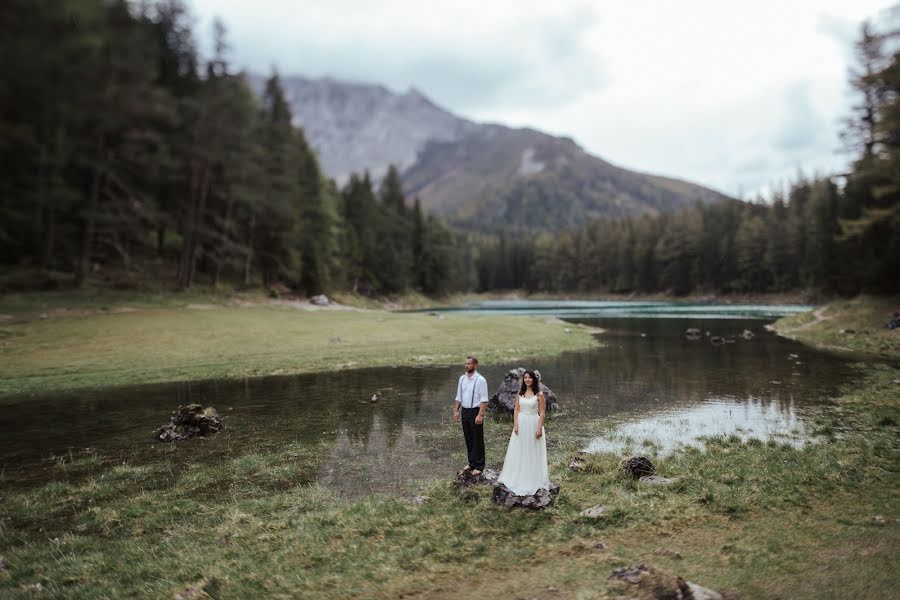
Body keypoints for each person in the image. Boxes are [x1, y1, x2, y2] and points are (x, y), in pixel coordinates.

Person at [497, 370, 550, 495]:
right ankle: (518, 476)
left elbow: (542, 412)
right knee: (520, 450)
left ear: (533, 379)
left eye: (530, 378)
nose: (527, 380)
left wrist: (539, 428)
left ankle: (532, 478)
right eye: (525, 377)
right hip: (521, 423)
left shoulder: (539, 394)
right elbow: (516, 409)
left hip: (533, 423)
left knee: (531, 450)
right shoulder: (520, 393)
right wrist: (515, 424)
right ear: (523, 379)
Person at [453, 355, 489, 475]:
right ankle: (471, 463)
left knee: (477, 438)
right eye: (465, 363)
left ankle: (479, 465)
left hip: (475, 411)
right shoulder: (462, 379)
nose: (466, 365)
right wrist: (456, 410)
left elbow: (484, 399)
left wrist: (480, 415)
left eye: (469, 363)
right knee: (468, 438)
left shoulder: (480, 380)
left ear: (475, 365)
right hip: (465, 411)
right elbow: (459, 396)